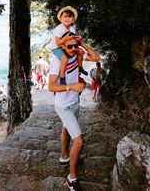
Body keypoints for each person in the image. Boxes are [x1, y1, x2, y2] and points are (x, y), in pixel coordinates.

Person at [48, 32, 100, 191]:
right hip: (63, 106)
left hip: (74, 103)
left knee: (66, 128)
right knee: (79, 140)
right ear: (62, 46)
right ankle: (72, 179)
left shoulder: (77, 55)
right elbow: (51, 86)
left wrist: (82, 45)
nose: (72, 49)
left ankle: (65, 157)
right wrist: (71, 87)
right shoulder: (56, 61)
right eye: (69, 46)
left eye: (74, 45)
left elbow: (96, 58)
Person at [49, 6, 88, 85]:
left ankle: (80, 67)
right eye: (65, 16)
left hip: (66, 46)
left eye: (69, 17)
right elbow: (58, 43)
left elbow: (72, 39)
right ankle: (62, 77)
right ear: (61, 18)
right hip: (57, 47)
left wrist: (78, 39)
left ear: (73, 19)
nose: (67, 19)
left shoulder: (72, 28)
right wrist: (65, 38)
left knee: (80, 51)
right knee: (64, 59)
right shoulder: (59, 28)